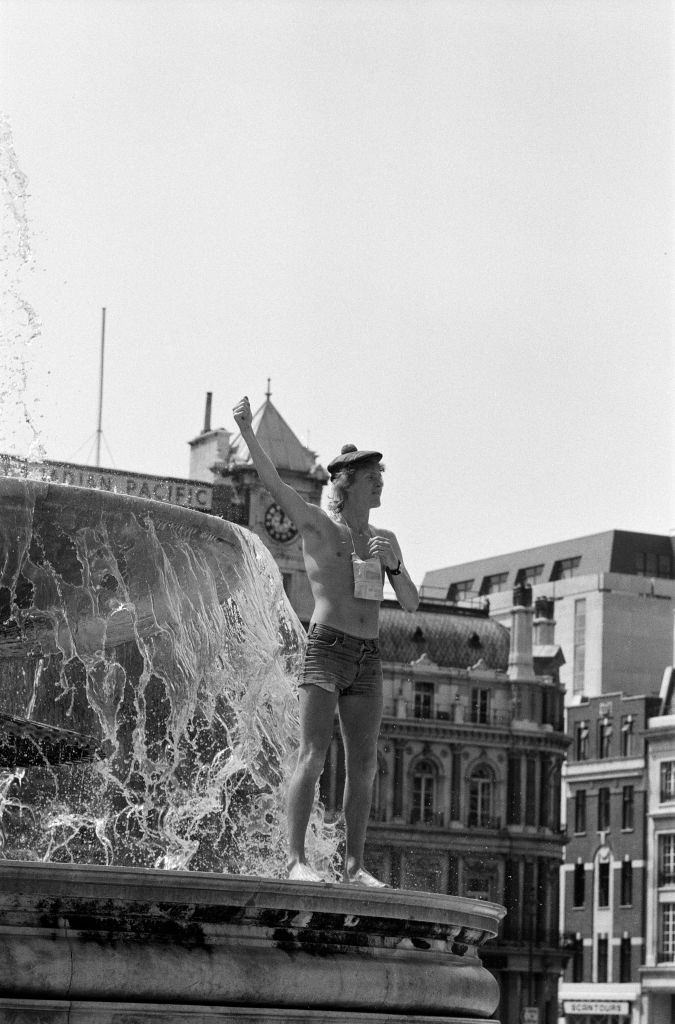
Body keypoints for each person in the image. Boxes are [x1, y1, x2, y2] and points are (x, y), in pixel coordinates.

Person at [233, 396, 419, 886]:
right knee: (312, 755)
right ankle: (296, 860)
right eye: (373, 478)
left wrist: (394, 565)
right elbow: (273, 484)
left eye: (382, 478)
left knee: (365, 764)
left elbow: (412, 602)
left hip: (369, 655)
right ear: (348, 483)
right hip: (327, 647)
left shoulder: (386, 539)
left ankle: (354, 866)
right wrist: (247, 432)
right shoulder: (319, 525)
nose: (381, 484)